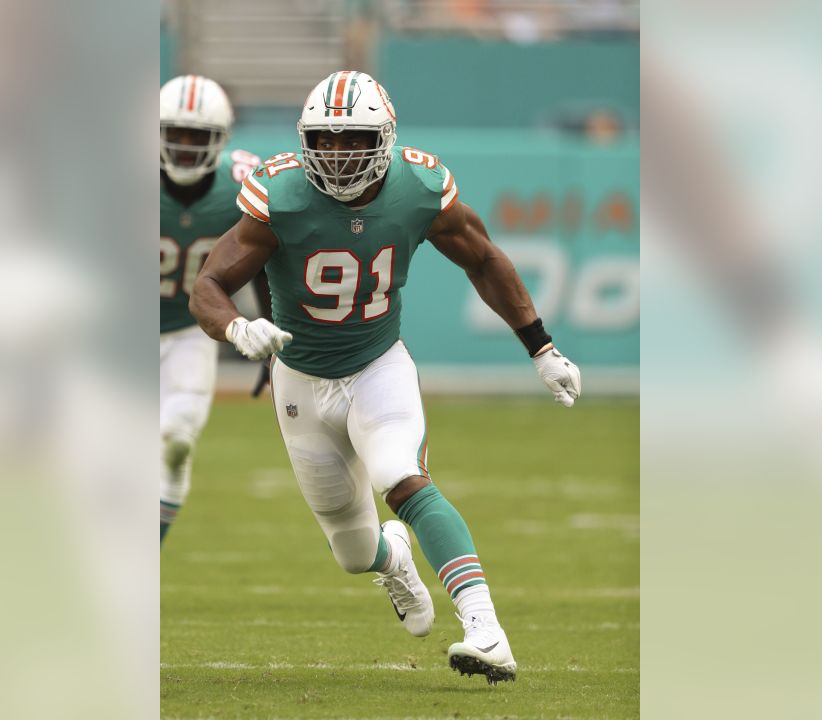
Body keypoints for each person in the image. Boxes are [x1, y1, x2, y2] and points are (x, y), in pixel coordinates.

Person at [189, 70, 582, 684]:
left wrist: (541, 347)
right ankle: (392, 557)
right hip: (300, 381)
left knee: (400, 474)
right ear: (306, 140)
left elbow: (483, 258)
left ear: (387, 138)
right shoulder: (281, 194)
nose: (339, 156)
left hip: (377, 364)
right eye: (326, 140)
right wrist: (238, 330)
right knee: (352, 551)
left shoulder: (420, 186)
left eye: (354, 140)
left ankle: (486, 629)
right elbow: (209, 285)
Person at [159, 74, 266, 544]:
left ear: (220, 141)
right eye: (175, 134)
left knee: (178, 436)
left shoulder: (240, 184)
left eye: (197, 136)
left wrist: (269, 332)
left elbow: (263, 259)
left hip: (188, 330)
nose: (184, 147)